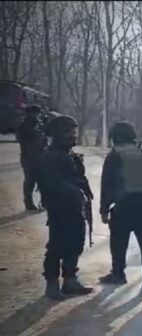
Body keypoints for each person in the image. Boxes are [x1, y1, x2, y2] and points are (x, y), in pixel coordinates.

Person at [98, 122, 142, 293]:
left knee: (118, 242)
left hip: (124, 205)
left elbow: (107, 184)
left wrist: (104, 209)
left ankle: (118, 273)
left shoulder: (115, 155)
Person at [39, 115, 94, 300]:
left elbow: (79, 179)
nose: (73, 136)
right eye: (69, 132)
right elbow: (54, 183)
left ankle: (70, 280)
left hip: (75, 208)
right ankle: (52, 284)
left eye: (74, 132)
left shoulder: (71, 156)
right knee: (57, 246)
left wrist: (85, 195)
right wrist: (76, 193)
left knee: (76, 243)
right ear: (58, 134)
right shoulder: (50, 157)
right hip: (59, 209)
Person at [15, 105, 47, 211]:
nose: (36, 115)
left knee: (43, 181)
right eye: (34, 113)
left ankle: (44, 202)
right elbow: (21, 139)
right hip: (28, 158)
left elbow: (44, 140)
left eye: (37, 113)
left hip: (41, 157)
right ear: (28, 114)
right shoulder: (24, 126)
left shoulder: (40, 124)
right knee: (30, 181)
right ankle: (29, 203)